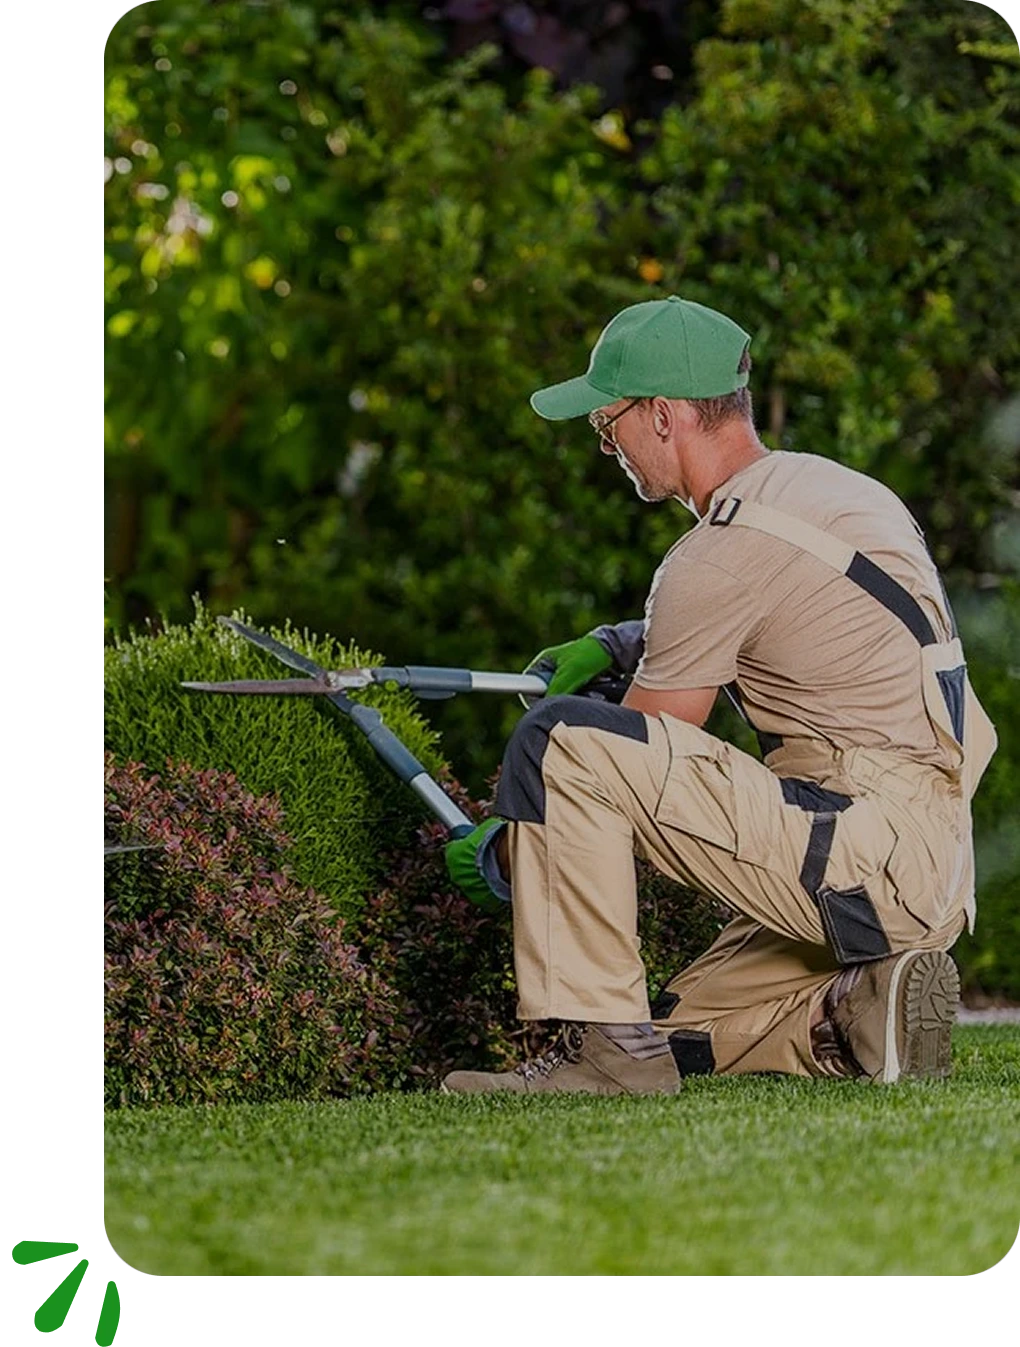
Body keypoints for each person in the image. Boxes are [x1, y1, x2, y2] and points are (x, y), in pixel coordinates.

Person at [442, 295, 997, 1095]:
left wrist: (503, 849)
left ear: (663, 416)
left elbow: (629, 768)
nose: (607, 444)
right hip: (928, 863)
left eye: (609, 421)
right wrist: (620, 642)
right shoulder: (832, 492)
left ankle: (610, 1064)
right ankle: (851, 1009)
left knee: (560, 741)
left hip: (861, 854)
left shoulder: (716, 554)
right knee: (669, 1026)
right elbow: (792, 619)